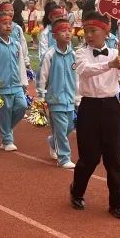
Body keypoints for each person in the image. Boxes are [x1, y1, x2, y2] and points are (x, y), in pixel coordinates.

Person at [70, 13, 120, 219]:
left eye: (93, 31)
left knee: (113, 159)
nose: (88, 35)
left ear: (106, 32)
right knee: (89, 158)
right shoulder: (80, 53)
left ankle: (117, 203)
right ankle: (77, 191)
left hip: (111, 108)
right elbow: (85, 71)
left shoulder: (117, 52)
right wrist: (110, 64)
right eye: (86, 31)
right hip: (89, 107)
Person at [37, 19, 78, 168]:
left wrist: (77, 96)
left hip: (70, 99)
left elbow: (76, 77)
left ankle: (52, 141)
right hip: (55, 99)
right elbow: (42, 75)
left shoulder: (73, 54)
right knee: (61, 129)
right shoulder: (50, 55)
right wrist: (41, 95)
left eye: (69, 30)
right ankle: (64, 158)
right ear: (54, 35)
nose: (67, 33)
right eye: (63, 31)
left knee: (69, 127)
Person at [0, 13, 29, 151]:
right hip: (2, 86)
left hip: (16, 85)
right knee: (4, 112)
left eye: (10, 23)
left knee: (22, 107)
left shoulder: (16, 44)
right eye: (5, 23)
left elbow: (21, 65)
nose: (8, 26)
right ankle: (7, 140)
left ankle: (6, 128)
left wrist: (24, 82)